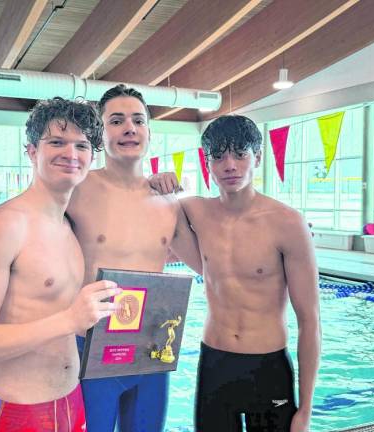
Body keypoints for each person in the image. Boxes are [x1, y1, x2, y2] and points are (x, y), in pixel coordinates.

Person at [0, 85, 201, 432]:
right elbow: (21, 224)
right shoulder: (75, 192)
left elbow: (206, 262)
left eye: (138, 121)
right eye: (116, 120)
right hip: (89, 352)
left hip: (149, 349)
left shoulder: (168, 201)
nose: (129, 128)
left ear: (149, 131)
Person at [0, 98, 122, 432]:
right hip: (19, 412)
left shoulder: (71, 225)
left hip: (73, 404)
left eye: (82, 145)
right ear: (31, 151)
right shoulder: (3, 227)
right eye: (56, 142)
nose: (71, 154)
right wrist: (69, 320)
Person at [150, 115, 320, 432]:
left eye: (240, 154)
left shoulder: (288, 223)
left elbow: (309, 321)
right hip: (214, 363)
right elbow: (149, 208)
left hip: (267, 367)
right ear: (208, 162)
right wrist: (156, 181)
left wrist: (305, 410)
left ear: (257, 157)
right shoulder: (194, 210)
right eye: (219, 156)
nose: (229, 165)